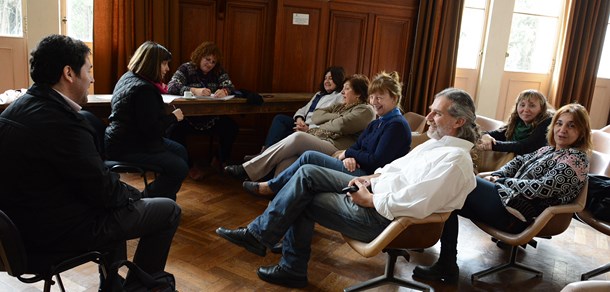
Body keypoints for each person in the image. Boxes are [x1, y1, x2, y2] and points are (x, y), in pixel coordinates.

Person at [216, 88, 480, 288]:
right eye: (431, 110)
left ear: (459, 122)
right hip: (374, 190)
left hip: (383, 218)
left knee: (304, 195)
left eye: (438, 113)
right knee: (307, 171)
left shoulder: (455, 161)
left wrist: (370, 200)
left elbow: (417, 202)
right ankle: (265, 240)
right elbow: (393, 170)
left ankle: (284, 259)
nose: (429, 117)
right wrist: (369, 180)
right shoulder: (436, 145)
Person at [0, 34, 181, 288]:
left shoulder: (14, 110)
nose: (92, 78)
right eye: (89, 69)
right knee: (168, 210)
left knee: (114, 204)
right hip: (48, 238)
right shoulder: (65, 124)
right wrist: (136, 196)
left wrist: (121, 195)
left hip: (16, 234)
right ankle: (139, 287)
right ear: (69, 73)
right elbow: (105, 191)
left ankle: (112, 284)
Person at [413, 103, 592, 283]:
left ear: (582, 132)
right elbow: (519, 161)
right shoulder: (549, 149)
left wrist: (502, 181)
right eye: (559, 123)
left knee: (455, 185)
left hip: (518, 216)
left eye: (571, 125)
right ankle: (445, 262)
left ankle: (432, 251)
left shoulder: (576, 160)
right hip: (507, 200)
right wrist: (498, 175)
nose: (562, 130)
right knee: (450, 194)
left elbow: (542, 187)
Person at [243, 71, 412, 197]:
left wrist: (349, 154)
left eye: (379, 98)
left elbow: (376, 161)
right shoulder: (378, 121)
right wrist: (350, 155)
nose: (374, 102)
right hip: (354, 164)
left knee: (308, 157)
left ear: (395, 98)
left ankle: (271, 186)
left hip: (367, 177)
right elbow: (356, 146)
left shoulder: (395, 125)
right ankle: (276, 192)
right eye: (372, 97)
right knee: (296, 157)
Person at [224, 74, 376, 181]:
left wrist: (333, 120)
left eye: (347, 89)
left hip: (336, 148)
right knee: (289, 158)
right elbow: (317, 115)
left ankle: (247, 169)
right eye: (343, 88)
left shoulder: (365, 110)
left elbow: (341, 125)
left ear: (358, 93)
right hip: (321, 138)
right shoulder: (342, 106)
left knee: (297, 137)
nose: (342, 92)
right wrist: (336, 118)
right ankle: (274, 193)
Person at [105, 41, 188, 201]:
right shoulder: (144, 90)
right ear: (153, 64)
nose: (167, 69)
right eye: (164, 63)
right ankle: (144, 200)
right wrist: (173, 118)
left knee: (180, 151)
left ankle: (166, 200)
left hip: (123, 139)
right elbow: (152, 130)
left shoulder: (128, 77)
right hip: (129, 146)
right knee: (180, 168)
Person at [167, 41, 239, 178]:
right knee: (173, 130)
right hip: (188, 118)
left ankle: (218, 160)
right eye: (207, 59)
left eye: (213, 61)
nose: (210, 64)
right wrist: (194, 90)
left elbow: (230, 86)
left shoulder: (218, 71)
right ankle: (187, 165)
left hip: (212, 118)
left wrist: (225, 91)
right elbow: (172, 86)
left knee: (232, 127)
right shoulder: (186, 68)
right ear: (199, 56)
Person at [243, 66, 345, 161]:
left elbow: (332, 121)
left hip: (314, 129)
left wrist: (308, 128)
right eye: (325, 78)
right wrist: (299, 119)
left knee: (282, 135)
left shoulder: (339, 97)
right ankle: (265, 152)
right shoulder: (319, 94)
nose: (326, 81)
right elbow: (303, 109)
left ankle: (263, 157)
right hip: (302, 124)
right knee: (280, 119)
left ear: (337, 80)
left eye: (330, 78)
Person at [478, 89, 554, 155]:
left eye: (532, 106)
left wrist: (493, 145)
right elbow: (498, 133)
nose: (526, 109)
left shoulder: (547, 122)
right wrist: (485, 136)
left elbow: (526, 146)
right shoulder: (517, 121)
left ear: (541, 109)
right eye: (522, 105)